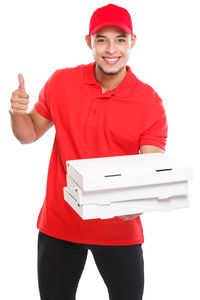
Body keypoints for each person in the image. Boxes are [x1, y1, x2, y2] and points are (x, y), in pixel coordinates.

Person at [9, 3, 167, 300]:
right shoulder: (61, 83)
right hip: (60, 225)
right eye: (102, 39)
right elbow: (28, 134)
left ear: (133, 42)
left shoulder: (149, 102)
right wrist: (18, 112)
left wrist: (140, 201)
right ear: (89, 42)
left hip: (119, 231)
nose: (112, 49)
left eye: (120, 39)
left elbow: (151, 169)